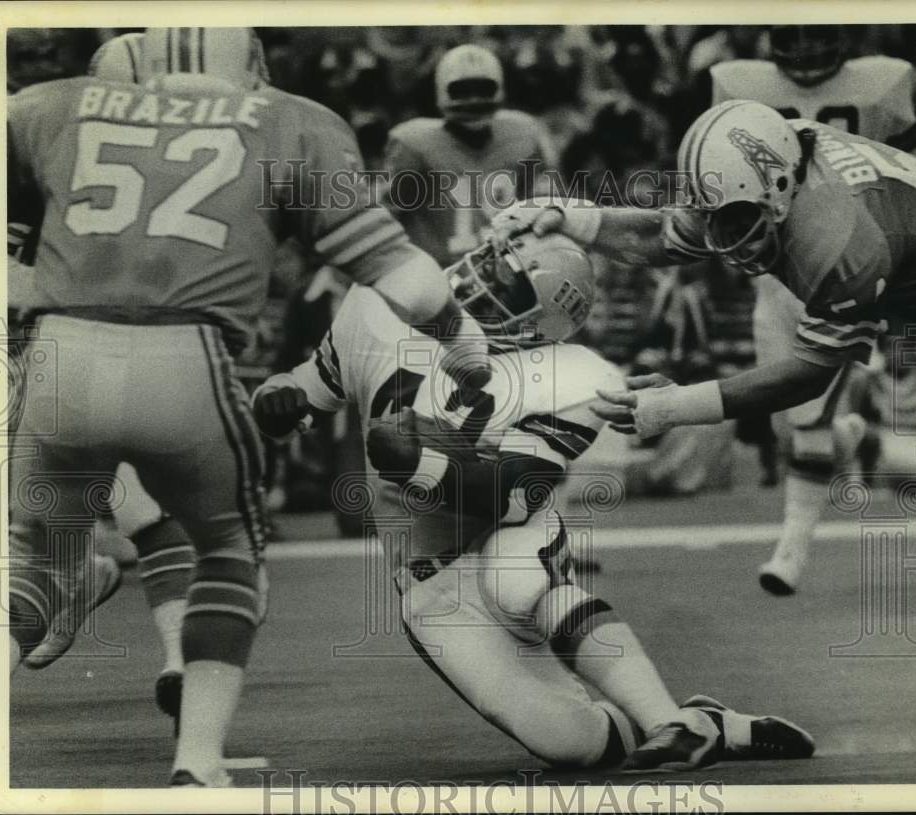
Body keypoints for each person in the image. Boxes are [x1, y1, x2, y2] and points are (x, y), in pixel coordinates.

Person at [7, 26, 490, 787]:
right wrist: (462, 341)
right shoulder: (290, 120)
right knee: (229, 554)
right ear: (250, 68)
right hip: (185, 356)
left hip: (59, 353)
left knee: (34, 561)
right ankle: (198, 762)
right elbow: (409, 281)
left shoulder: (48, 106)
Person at [251, 233, 814, 771]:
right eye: (495, 264)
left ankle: (669, 722)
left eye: (511, 288)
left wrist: (423, 464)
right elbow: (309, 388)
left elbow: (518, 495)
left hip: (503, 531)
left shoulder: (572, 378)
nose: (483, 283)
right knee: (576, 745)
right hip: (429, 579)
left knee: (517, 582)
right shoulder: (379, 301)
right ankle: (709, 723)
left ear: (540, 332)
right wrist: (278, 397)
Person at [489, 100, 916, 520]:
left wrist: (675, 405)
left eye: (733, 218)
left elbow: (808, 374)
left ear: (778, 189)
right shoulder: (767, 166)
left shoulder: (837, 237)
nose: (720, 234)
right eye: (711, 215)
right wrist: (572, 217)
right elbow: (667, 236)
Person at [708, 24, 916, 593]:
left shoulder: (882, 82)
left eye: (819, 35)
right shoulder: (735, 83)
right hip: (776, 280)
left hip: (852, 263)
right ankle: (854, 439)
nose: (808, 50)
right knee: (787, 428)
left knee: (808, 423)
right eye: (796, 36)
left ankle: (790, 551)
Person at [384, 43, 557, 269]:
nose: (474, 99)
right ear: (442, 90)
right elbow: (385, 219)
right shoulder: (413, 144)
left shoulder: (523, 134)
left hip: (507, 269)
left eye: (483, 89)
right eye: (462, 90)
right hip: (439, 274)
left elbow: (542, 206)